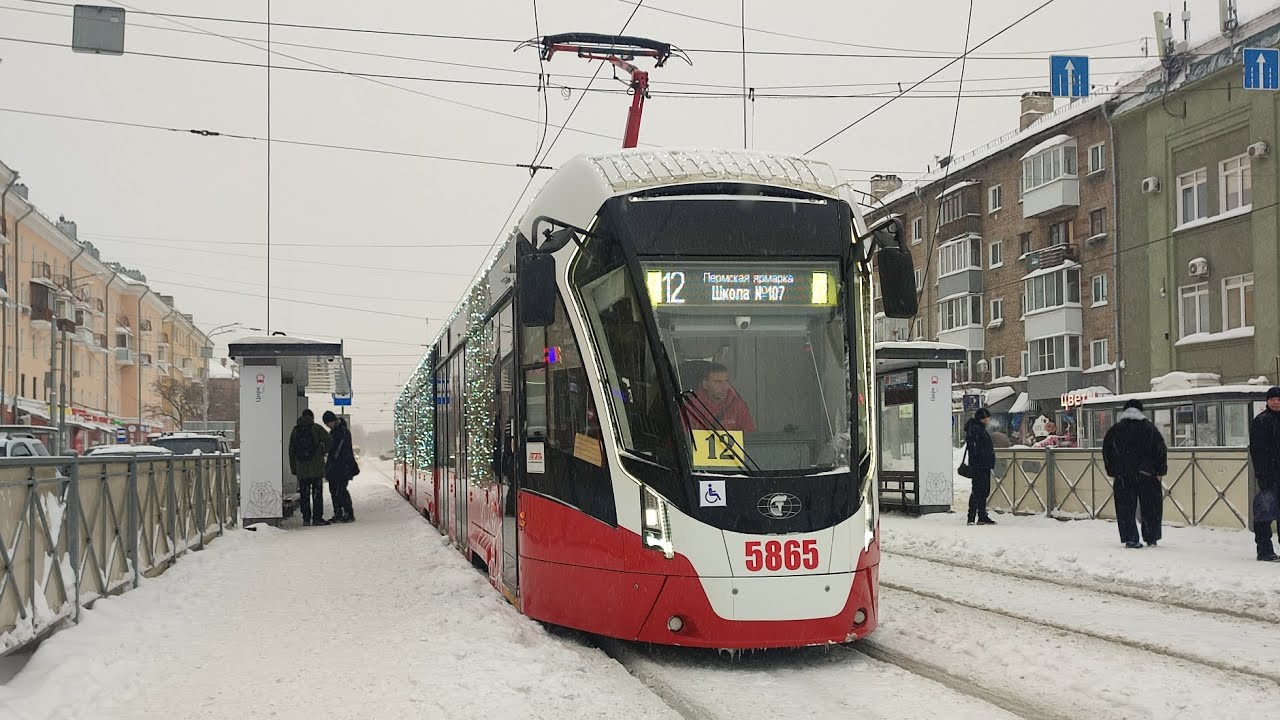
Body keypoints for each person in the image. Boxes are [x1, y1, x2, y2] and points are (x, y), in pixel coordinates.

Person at [1103, 399, 1168, 549]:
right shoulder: (1150, 429)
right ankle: (1151, 537)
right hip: (1148, 474)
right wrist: (1160, 471)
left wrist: (1112, 470)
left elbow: (1107, 451)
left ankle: (1131, 538)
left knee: (1125, 507)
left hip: (1123, 475)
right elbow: (1160, 450)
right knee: (1150, 507)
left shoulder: (1115, 430)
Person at [1248, 386, 1280, 562]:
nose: (1276, 402)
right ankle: (1265, 550)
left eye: (1279, 399)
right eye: (1273, 399)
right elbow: (1257, 451)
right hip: (1269, 475)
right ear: (1267, 401)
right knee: (1264, 513)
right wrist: (1262, 474)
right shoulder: (1260, 421)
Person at [288, 408, 331, 526]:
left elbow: (291, 450)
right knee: (317, 494)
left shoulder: (295, 430)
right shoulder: (316, 428)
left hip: (301, 469)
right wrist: (322, 451)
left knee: (304, 494)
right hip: (316, 468)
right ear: (312, 417)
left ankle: (306, 518)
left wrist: (294, 468)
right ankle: (317, 518)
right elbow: (329, 440)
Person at [689, 363, 756, 432]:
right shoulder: (692, 406)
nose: (724, 387)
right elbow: (686, 435)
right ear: (705, 384)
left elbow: (749, 434)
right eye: (718, 382)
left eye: (726, 381)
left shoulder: (737, 404)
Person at [964, 408, 997, 526]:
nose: (988, 420)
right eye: (987, 417)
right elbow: (977, 448)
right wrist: (984, 459)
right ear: (982, 418)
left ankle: (980, 515)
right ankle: (974, 516)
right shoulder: (977, 430)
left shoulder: (977, 428)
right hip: (979, 465)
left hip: (981, 464)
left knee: (981, 491)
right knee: (978, 490)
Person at [323, 410, 357, 523]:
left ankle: (348, 513)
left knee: (341, 490)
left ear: (333, 420)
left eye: (328, 423)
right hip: (337, 466)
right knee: (335, 490)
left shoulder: (341, 432)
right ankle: (339, 512)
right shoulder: (337, 431)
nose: (328, 426)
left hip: (341, 466)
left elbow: (336, 450)